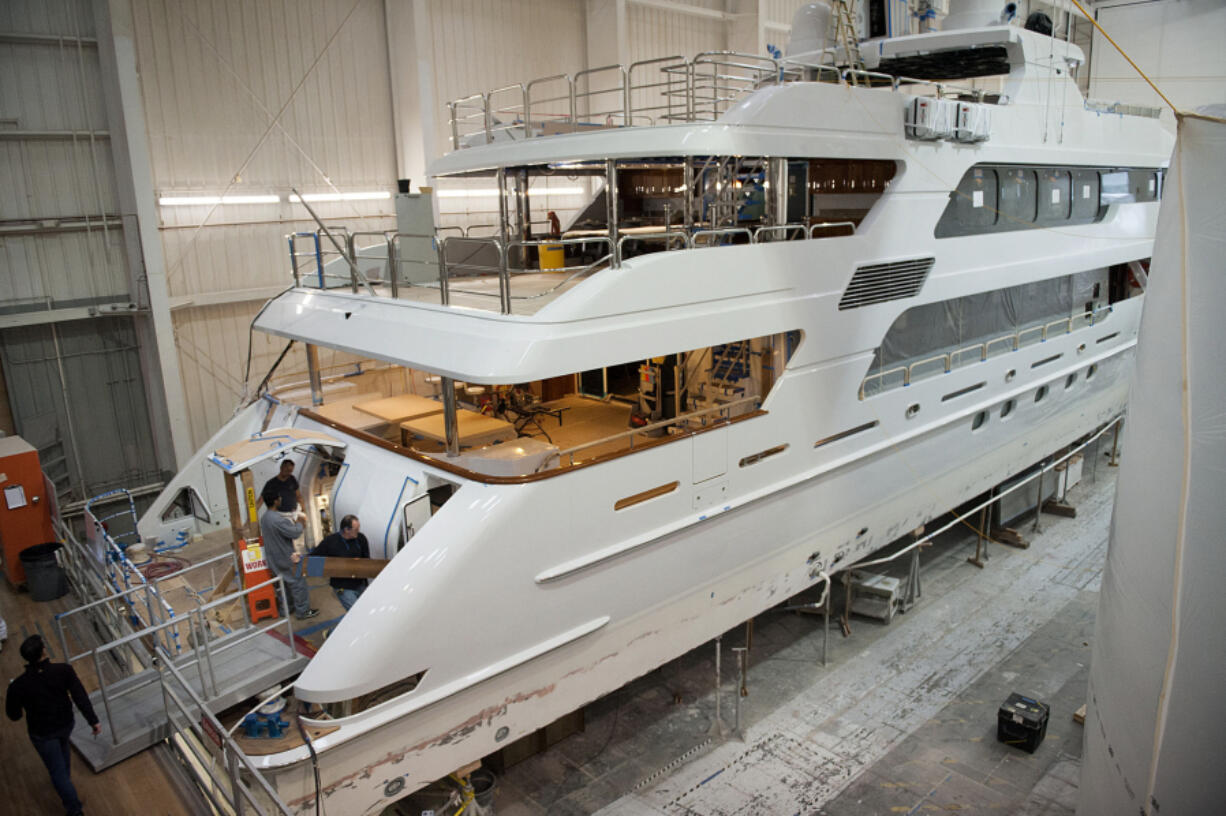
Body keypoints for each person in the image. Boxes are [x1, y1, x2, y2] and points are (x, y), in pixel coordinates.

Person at [6, 634, 100, 816]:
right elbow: (80, 696)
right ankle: (65, 783)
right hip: (65, 724)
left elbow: (14, 715)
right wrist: (93, 721)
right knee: (61, 758)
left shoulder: (18, 686)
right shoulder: (63, 670)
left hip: (42, 732)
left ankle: (74, 810)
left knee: (56, 771)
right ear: (43, 652)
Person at [258, 488, 318, 620]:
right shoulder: (277, 520)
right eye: (279, 497)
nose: (281, 499)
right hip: (286, 558)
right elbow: (294, 533)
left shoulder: (265, 518)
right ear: (275, 501)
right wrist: (300, 523)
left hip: (273, 558)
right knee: (298, 583)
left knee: (284, 584)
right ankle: (302, 611)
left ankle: (286, 609)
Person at [309, 514, 370, 611]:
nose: (358, 531)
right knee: (355, 612)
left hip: (360, 584)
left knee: (365, 610)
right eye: (356, 529)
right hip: (343, 587)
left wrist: (366, 584)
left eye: (359, 528)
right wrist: (299, 559)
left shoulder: (361, 539)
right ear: (346, 529)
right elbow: (313, 557)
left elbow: (366, 560)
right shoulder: (330, 542)